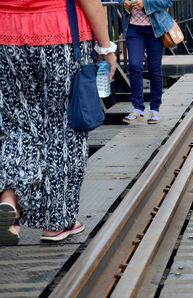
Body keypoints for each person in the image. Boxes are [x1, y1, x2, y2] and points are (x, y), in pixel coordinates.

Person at [0, 0, 117, 244]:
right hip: (58, 33)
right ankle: (59, 222)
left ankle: (9, 200)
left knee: (18, 124)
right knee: (65, 126)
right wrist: (106, 48)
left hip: (7, 35)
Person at [121, 0, 173, 125]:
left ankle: (155, 109)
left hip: (155, 29)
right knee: (134, 65)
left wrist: (145, 4)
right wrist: (124, 4)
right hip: (133, 29)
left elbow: (168, 2)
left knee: (154, 69)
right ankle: (138, 108)